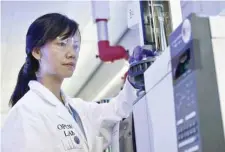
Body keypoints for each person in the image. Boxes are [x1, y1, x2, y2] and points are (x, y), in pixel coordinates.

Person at [1, 13, 137, 152]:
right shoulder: (25, 114)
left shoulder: (78, 110)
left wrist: (135, 78)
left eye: (75, 46)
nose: (71, 53)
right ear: (37, 52)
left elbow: (117, 111)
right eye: (62, 44)